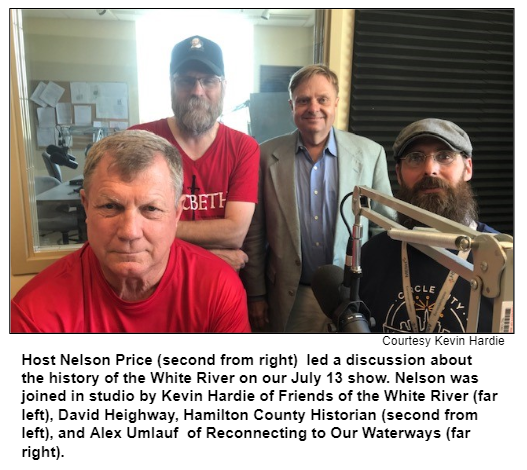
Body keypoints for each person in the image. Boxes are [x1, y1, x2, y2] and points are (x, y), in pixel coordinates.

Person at [11, 130, 251, 333]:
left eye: (151, 209)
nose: (129, 232)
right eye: (110, 206)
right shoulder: (33, 311)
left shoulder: (218, 289)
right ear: (85, 206)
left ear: (177, 212)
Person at [240, 64, 394, 332]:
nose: (313, 108)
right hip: (289, 296)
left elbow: (384, 229)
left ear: (335, 103)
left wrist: (378, 288)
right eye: (303, 100)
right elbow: (255, 232)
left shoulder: (371, 154)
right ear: (291, 106)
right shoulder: (264, 156)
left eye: (322, 99)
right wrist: (256, 294)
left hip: (354, 296)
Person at [129, 35, 259, 272]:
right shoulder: (139, 140)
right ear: (171, 85)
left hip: (219, 292)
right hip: (152, 288)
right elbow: (132, 229)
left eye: (209, 81)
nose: (197, 91)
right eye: (186, 81)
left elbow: (235, 233)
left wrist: (157, 229)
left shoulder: (244, 148)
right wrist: (208, 256)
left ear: (224, 86)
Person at [359, 118, 499, 333]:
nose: (429, 169)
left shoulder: (503, 258)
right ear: (398, 174)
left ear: (468, 168)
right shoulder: (371, 255)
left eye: (444, 156)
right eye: (415, 158)